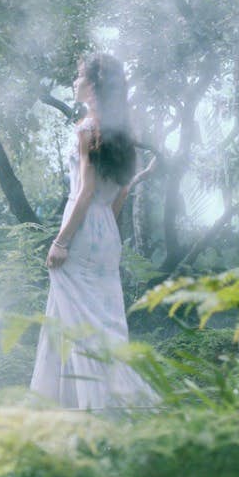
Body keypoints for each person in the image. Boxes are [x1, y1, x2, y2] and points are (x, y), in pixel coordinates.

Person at [30, 52, 156, 409]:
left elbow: (84, 191)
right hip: (106, 231)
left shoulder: (86, 129)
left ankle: (85, 405)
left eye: (79, 76)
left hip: (84, 227)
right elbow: (123, 190)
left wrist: (61, 241)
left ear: (94, 85)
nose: (74, 81)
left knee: (75, 318)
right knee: (102, 318)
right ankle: (84, 402)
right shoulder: (121, 133)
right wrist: (107, 229)